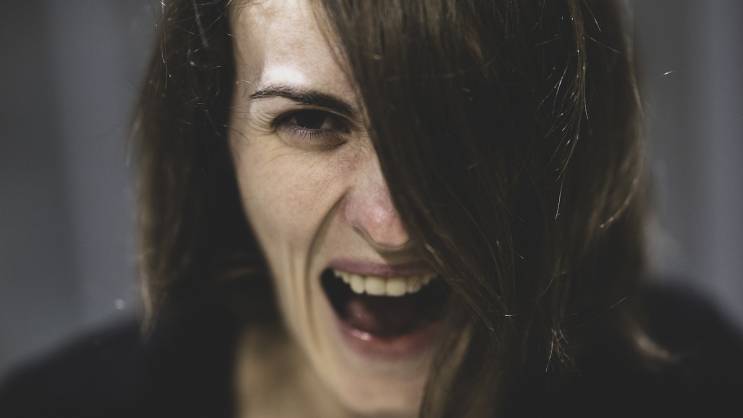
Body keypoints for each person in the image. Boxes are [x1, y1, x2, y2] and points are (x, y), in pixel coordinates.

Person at [1, 0, 741, 417]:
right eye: (310, 121)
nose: (394, 225)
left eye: (460, 121)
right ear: (217, 139)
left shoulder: (691, 384)